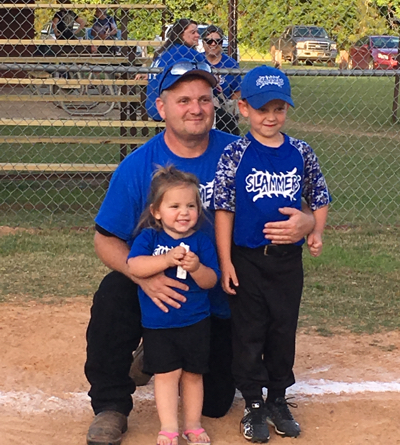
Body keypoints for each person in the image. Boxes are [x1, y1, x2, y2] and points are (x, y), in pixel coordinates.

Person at [85, 57, 316, 445]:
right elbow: (105, 239)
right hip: (159, 283)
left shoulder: (242, 152)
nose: (196, 108)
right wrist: (143, 276)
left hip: (216, 292)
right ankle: (110, 404)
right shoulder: (138, 166)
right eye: (183, 100)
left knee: (216, 403)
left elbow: (299, 199)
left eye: (204, 99)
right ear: (161, 107)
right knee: (113, 293)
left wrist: (306, 221)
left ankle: (158, 352)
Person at [213, 65, 331, 443]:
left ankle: (278, 398)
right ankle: (252, 402)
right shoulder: (236, 153)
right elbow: (224, 209)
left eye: (279, 109)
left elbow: (320, 196)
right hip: (247, 258)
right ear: (243, 108)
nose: (271, 117)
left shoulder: (300, 152)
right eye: (262, 109)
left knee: (282, 330)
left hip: (286, 262)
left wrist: (315, 231)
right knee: (249, 332)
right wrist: (226, 261)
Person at [127, 165, 220, 445]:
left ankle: (193, 425)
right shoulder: (150, 238)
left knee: (193, 375)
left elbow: (210, 281)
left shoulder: (201, 242)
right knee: (166, 375)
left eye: (191, 206)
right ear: (156, 211)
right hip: (159, 324)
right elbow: (135, 266)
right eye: (174, 206)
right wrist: (166, 259)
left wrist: (197, 268)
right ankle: (169, 427)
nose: (184, 212)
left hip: (195, 322)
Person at [145, 18, 203, 120]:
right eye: (193, 32)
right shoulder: (184, 51)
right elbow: (207, 66)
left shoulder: (165, 51)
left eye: (197, 32)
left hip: (152, 107)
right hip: (166, 108)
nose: (197, 35)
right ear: (180, 35)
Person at [203, 25, 241, 136]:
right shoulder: (198, 60)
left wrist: (229, 107)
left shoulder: (231, 63)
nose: (213, 44)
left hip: (224, 109)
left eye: (217, 41)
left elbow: (237, 91)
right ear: (203, 43)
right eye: (209, 41)